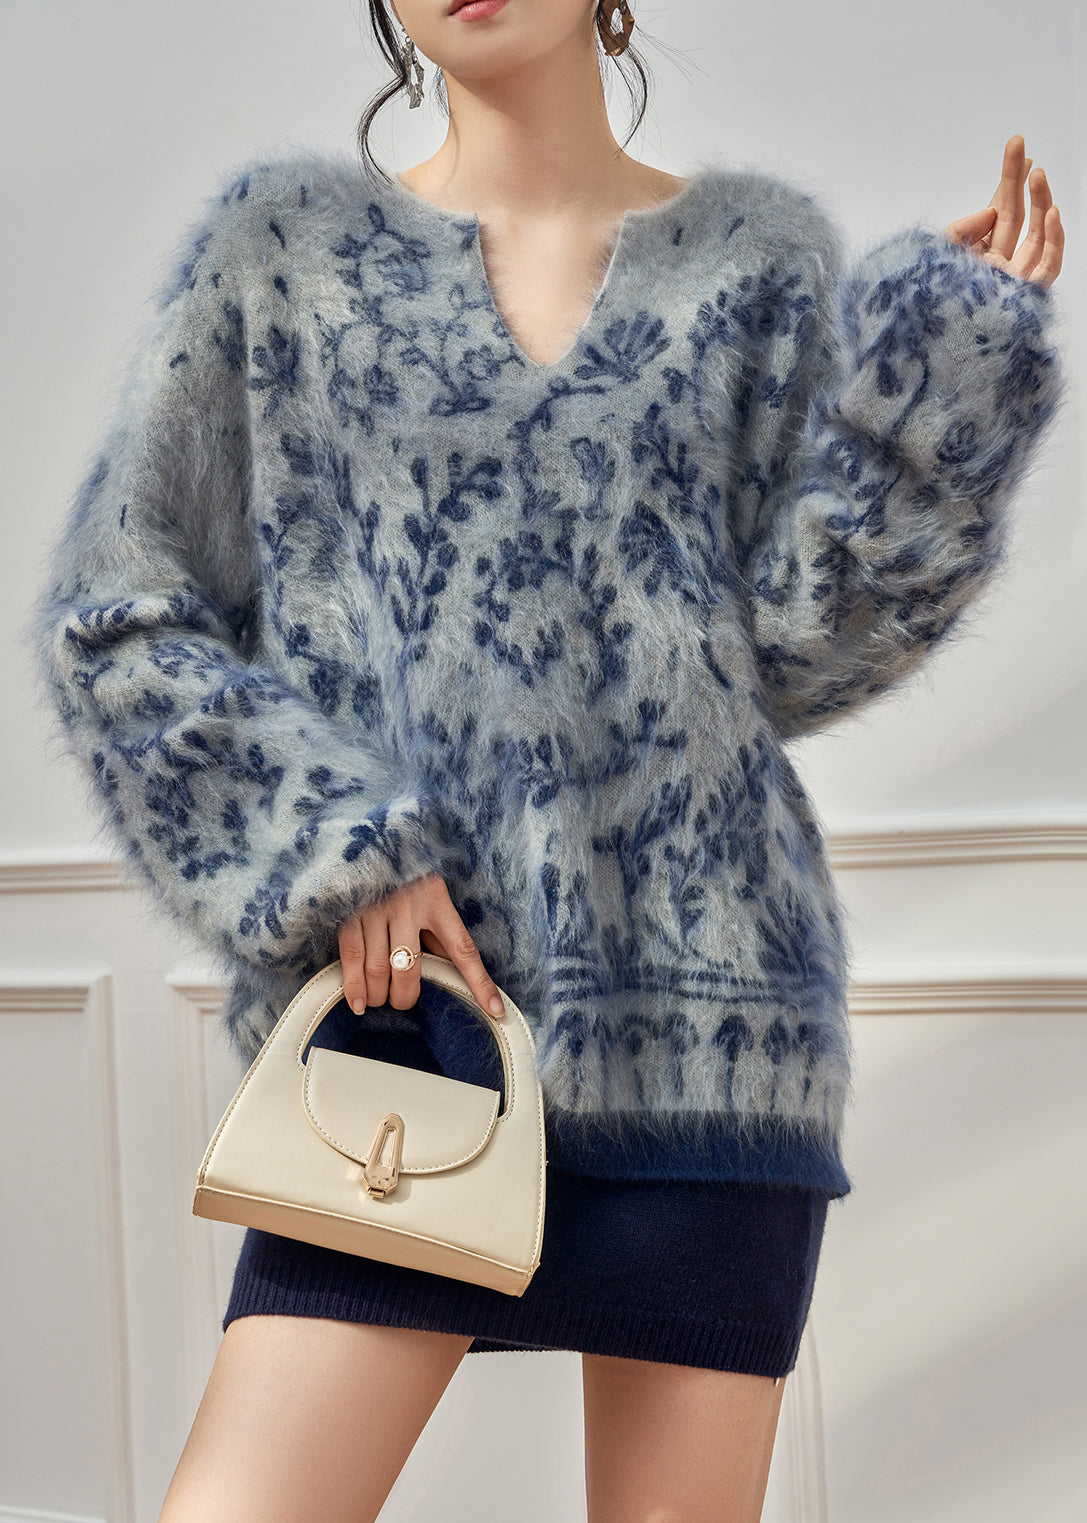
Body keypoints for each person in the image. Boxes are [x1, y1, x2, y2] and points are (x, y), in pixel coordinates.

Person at [23, 2, 1066, 1519]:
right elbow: (114, 611)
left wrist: (943, 389)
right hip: (410, 1039)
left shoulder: (757, 262)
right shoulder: (283, 253)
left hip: (712, 1051)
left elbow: (793, 645)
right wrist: (342, 853)